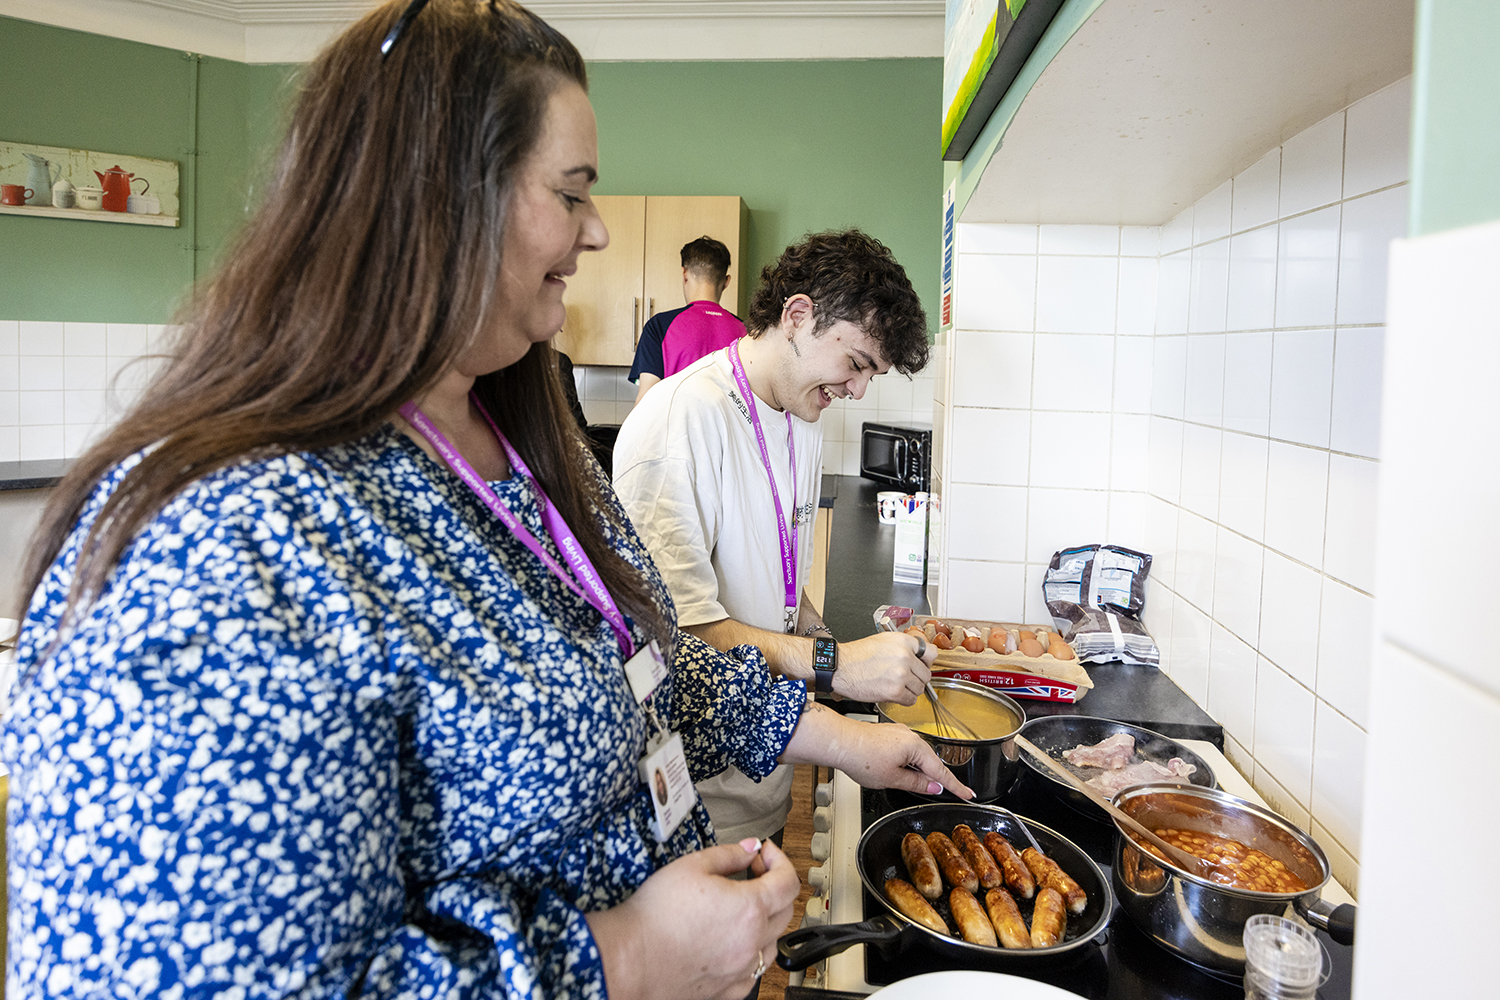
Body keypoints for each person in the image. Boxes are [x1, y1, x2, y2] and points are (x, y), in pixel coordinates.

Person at [0, 4, 970, 999]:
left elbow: (647, 669)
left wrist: (848, 738)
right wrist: (625, 954)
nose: (596, 230)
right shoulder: (218, 541)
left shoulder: (524, 441)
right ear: (433, 199)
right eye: (571, 192)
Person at [612, 229, 936, 847]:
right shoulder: (680, 420)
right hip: (692, 802)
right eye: (857, 363)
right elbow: (678, 640)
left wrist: (829, 640)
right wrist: (836, 665)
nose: (858, 390)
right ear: (797, 316)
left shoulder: (800, 414)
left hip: (769, 768)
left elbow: (779, 583)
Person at [628, 236, 746, 403]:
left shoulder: (659, 326)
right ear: (726, 282)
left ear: (684, 274)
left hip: (676, 429)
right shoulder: (747, 332)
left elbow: (646, 401)